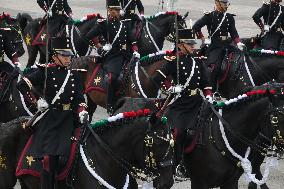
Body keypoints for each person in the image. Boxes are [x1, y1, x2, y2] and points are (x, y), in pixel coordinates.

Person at [16, 36, 89, 189]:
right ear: (55, 56)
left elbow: (79, 98)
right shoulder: (45, 72)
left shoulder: (75, 75)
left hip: (70, 118)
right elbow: (22, 84)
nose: (68, 59)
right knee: (49, 159)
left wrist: (82, 110)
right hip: (51, 120)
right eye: (64, 55)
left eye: (69, 56)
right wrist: (36, 102)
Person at [152, 28, 213, 176]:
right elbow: (157, 79)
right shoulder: (173, 61)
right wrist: (171, 88)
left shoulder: (197, 62)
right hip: (179, 103)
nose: (193, 46)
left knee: (210, 126)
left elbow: (206, 83)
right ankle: (177, 164)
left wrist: (209, 94)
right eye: (189, 44)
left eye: (193, 44)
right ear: (180, 45)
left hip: (196, 101)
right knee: (178, 132)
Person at [85, 0, 140, 115]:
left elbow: (132, 40)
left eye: (119, 10)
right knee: (112, 78)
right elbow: (89, 36)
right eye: (115, 10)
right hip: (113, 56)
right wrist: (100, 47)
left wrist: (135, 51)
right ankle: (110, 105)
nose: (118, 12)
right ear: (109, 11)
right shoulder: (103, 24)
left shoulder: (124, 23)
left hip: (127, 54)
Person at [192, 0, 245, 91]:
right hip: (215, 46)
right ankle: (213, 90)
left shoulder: (229, 17)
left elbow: (233, 32)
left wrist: (238, 42)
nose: (226, 6)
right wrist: (203, 39)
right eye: (224, 4)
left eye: (226, 3)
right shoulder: (210, 16)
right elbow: (196, 26)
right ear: (217, 4)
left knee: (242, 56)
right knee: (214, 68)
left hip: (227, 44)